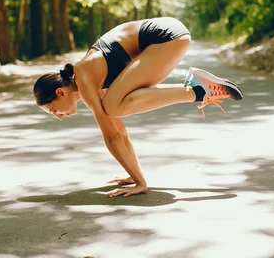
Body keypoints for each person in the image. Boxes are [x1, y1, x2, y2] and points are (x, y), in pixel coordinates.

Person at [33, 17, 243, 197]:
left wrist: (141, 184)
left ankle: (199, 90)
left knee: (113, 106)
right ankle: (199, 90)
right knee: (114, 106)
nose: (59, 117)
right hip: (170, 35)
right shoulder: (91, 80)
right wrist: (134, 176)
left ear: (60, 92)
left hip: (165, 37)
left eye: (54, 111)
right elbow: (120, 132)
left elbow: (111, 136)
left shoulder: (84, 76)